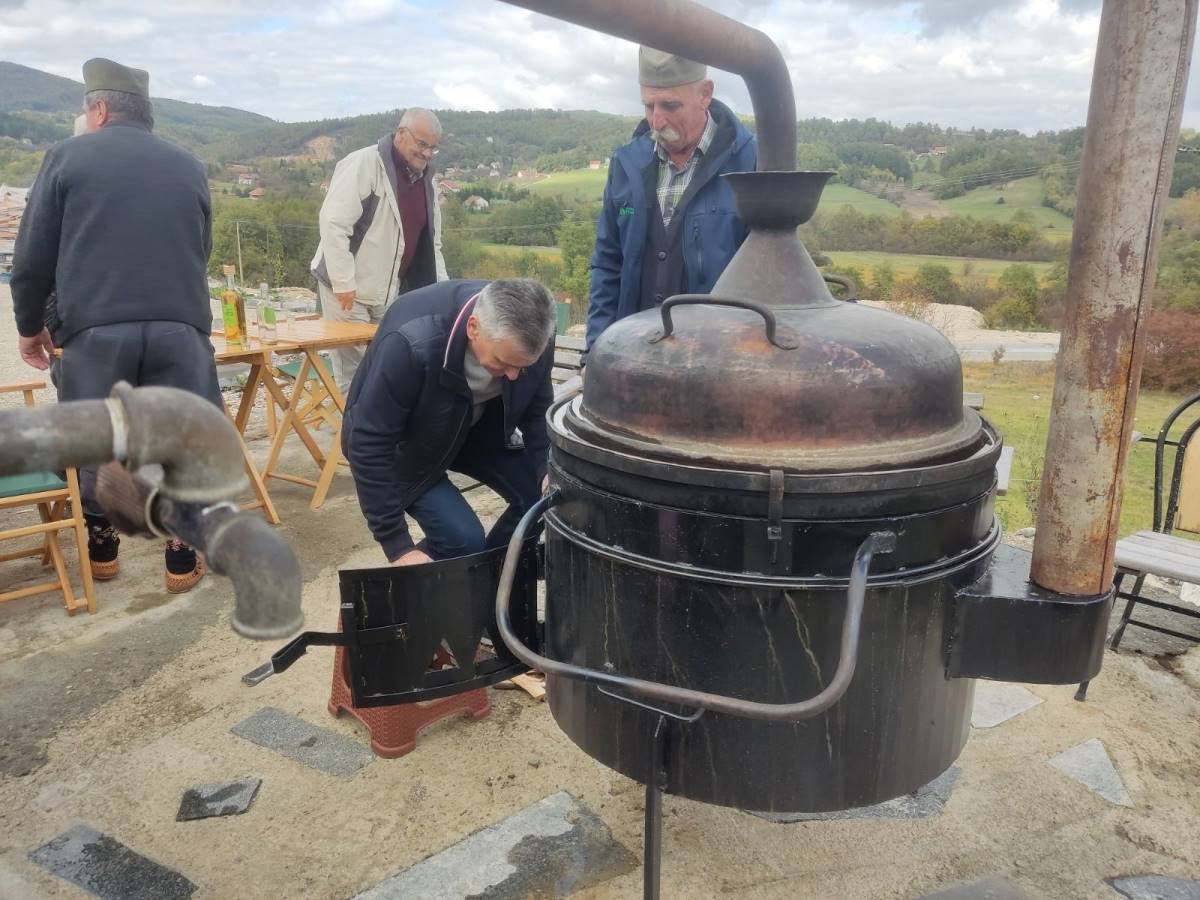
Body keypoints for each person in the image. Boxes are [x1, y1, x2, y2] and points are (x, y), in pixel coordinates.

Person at [10, 58, 219, 593]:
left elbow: (32, 258)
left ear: (98, 108)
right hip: (180, 328)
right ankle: (179, 553)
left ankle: (101, 546)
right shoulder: (188, 164)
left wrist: (30, 325)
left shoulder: (65, 157)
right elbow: (202, 249)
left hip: (97, 331)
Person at [342, 278, 556, 566]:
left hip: (470, 428)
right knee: (462, 541)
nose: (514, 376)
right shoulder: (411, 342)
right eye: (502, 363)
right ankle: (380, 601)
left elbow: (536, 408)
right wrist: (399, 548)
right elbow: (368, 443)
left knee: (542, 498)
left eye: (522, 367)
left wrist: (545, 466)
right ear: (473, 327)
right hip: (406, 444)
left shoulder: (534, 334)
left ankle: (489, 584)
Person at [587, 47, 757, 357]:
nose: (656, 120)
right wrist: (595, 350)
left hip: (715, 359)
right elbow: (608, 264)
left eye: (670, 105)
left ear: (704, 94)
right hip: (634, 354)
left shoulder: (751, 163)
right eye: (648, 105)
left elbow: (764, 276)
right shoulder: (626, 165)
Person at [311, 108, 449, 389]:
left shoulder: (428, 183)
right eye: (422, 144)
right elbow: (334, 223)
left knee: (388, 369)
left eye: (433, 148)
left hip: (388, 296)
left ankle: (379, 431)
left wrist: (445, 292)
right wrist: (343, 282)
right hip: (348, 293)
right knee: (354, 376)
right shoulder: (363, 164)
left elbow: (433, 243)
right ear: (401, 134)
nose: (426, 153)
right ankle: (353, 433)